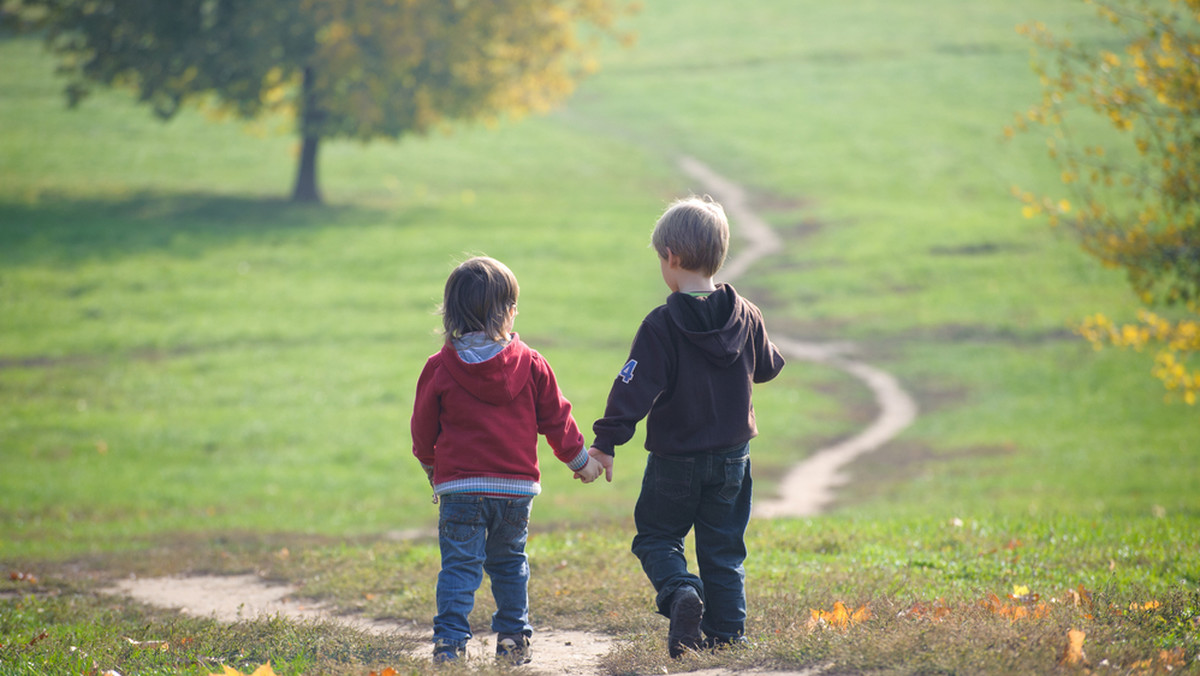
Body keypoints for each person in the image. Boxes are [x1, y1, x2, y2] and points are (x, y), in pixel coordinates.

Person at [586, 196, 785, 658]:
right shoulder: (746, 313)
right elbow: (769, 367)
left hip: (676, 459)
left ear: (672, 258)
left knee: (657, 536)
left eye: (660, 258)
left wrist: (605, 444)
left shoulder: (662, 324)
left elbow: (631, 388)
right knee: (724, 549)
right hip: (733, 458)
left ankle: (680, 593)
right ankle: (728, 636)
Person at [411, 256, 604, 665]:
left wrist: (433, 467)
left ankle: (450, 644)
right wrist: (581, 461)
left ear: (450, 312)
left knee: (460, 567)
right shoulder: (532, 363)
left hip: (460, 488)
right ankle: (513, 638)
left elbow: (422, 432)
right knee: (509, 563)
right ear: (509, 311)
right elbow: (557, 419)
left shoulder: (439, 368)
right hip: (515, 490)